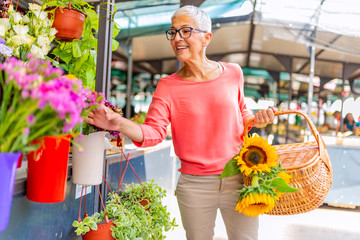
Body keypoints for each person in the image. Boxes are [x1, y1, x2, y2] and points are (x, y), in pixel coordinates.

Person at [87, 5, 276, 240]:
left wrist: (257, 119)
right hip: (195, 185)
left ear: (207, 38)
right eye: (173, 32)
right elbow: (154, 133)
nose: (177, 38)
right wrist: (119, 124)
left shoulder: (233, 72)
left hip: (239, 177)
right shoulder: (168, 86)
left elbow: (242, 112)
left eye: (185, 31)